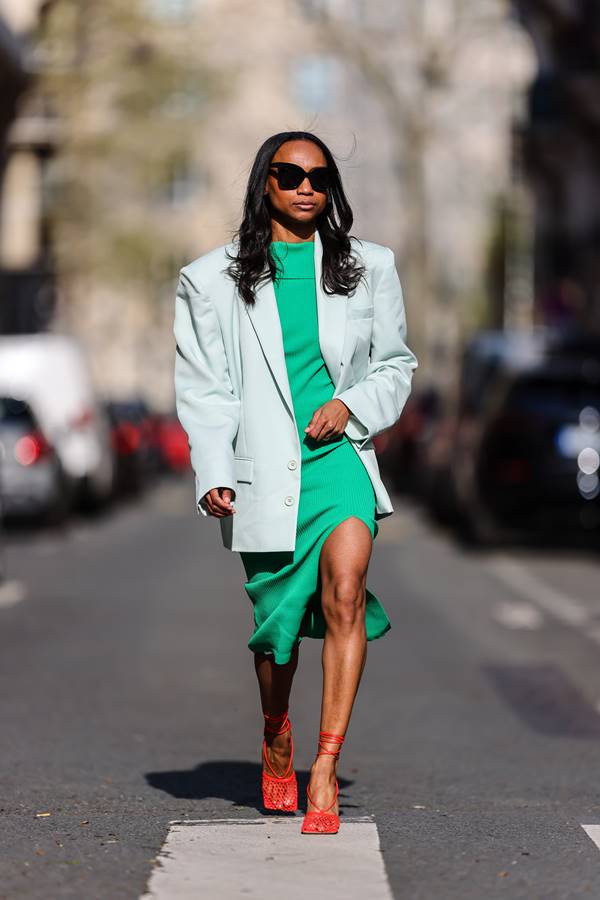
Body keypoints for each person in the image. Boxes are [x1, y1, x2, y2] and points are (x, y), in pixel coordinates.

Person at [173, 130, 418, 834]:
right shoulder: (209, 279)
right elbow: (207, 392)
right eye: (289, 174)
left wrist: (351, 406)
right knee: (277, 633)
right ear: (266, 185)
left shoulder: (369, 267)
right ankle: (276, 730)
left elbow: (395, 365)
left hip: (339, 457)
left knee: (346, 589)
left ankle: (323, 769)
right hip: (263, 471)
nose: (306, 185)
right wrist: (214, 472)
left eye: (319, 175)